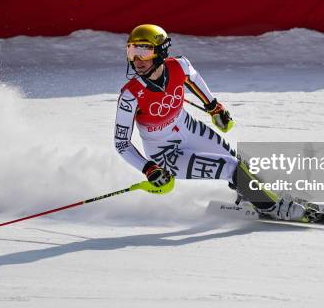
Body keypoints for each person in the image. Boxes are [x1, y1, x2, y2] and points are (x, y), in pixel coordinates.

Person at [113, 24, 309, 221]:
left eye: (143, 51)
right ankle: (271, 208)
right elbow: (122, 143)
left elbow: (193, 77)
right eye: (132, 51)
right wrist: (149, 168)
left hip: (189, 129)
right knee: (232, 167)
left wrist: (214, 107)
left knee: (240, 163)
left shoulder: (179, 66)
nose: (137, 60)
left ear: (160, 51)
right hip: (165, 155)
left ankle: (252, 196)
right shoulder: (130, 96)